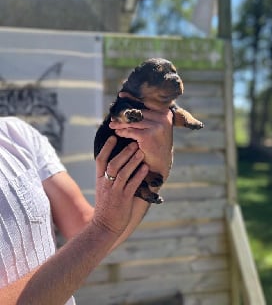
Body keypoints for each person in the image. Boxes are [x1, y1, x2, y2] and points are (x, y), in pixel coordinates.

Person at [0, 109, 173, 305]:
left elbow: (83, 231)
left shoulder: (15, 134)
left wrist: (153, 172)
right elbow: (99, 231)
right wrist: (103, 228)